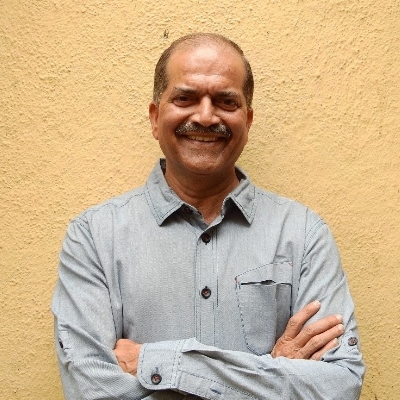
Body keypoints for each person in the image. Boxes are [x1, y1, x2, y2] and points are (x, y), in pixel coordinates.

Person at [52, 33, 365, 399]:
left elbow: (338, 386)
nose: (204, 116)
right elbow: (91, 391)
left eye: (225, 101)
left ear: (247, 120)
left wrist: (164, 364)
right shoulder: (93, 237)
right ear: (155, 118)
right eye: (184, 98)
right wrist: (270, 372)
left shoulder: (304, 234)